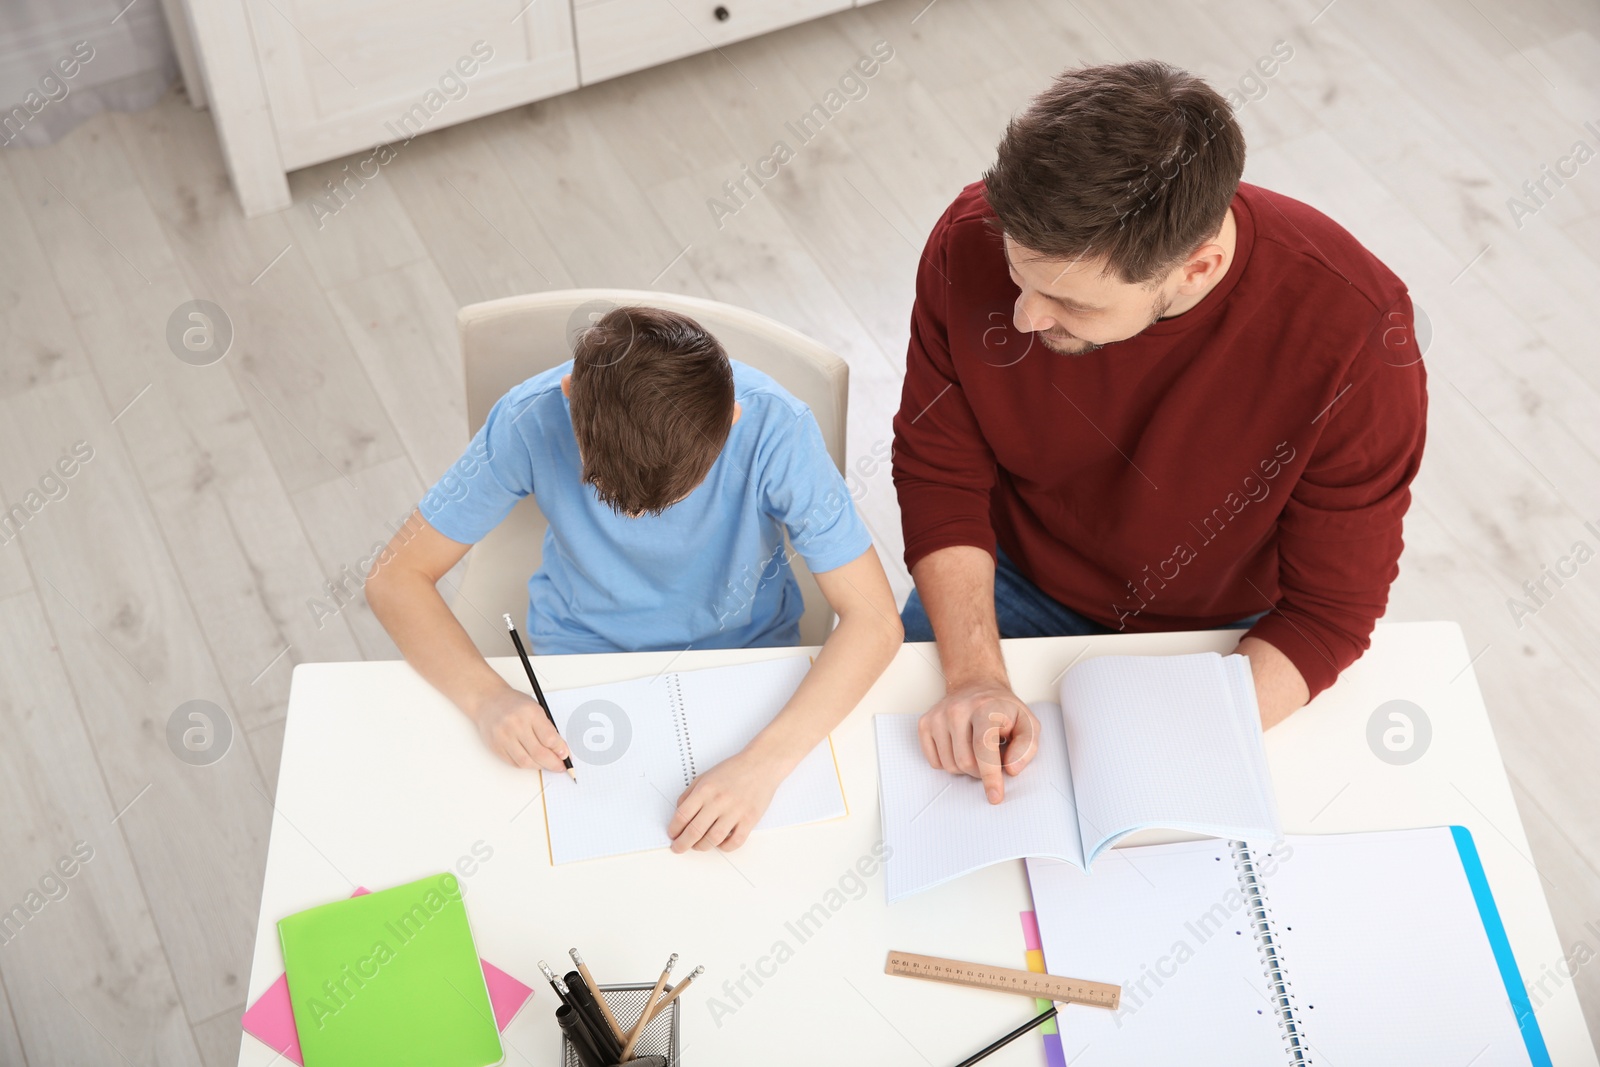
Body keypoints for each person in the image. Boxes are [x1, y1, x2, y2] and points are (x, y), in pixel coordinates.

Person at [893, 61, 1427, 803]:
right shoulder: (970, 236)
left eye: (1067, 302)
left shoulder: (1355, 333)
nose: (1023, 317)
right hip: (1010, 576)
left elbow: (1329, 610)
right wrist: (976, 675)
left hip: (1221, 627)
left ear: (1197, 268)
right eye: (1020, 276)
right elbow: (939, 469)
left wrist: (1176, 749)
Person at [368, 306, 902, 850]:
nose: (641, 523)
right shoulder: (527, 419)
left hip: (743, 652)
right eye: (604, 486)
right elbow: (396, 578)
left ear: (731, 421)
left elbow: (877, 620)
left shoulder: (776, 428)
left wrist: (765, 764)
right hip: (585, 650)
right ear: (570, 393)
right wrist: (487, 699)